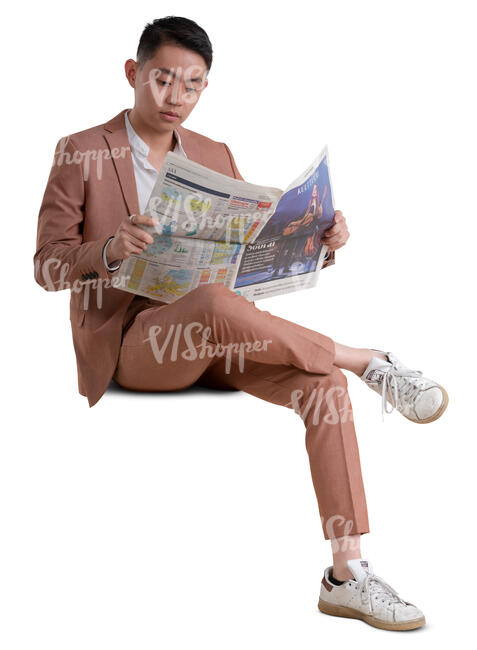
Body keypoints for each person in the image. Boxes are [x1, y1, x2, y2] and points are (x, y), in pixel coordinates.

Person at [33, 16, 449, 632]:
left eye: (193, 85)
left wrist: (318, 243)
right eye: (163, 80)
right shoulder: (82, 150)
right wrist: (111, 250)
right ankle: (368, 360)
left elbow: (242, 257)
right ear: (134, 74)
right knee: (213, 303)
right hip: (133, 344)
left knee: (323, 389)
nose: (176, 97)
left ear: (206, 88)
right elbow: (45, 266)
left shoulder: (214, 154)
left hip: (218, 329)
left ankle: (346, 574)